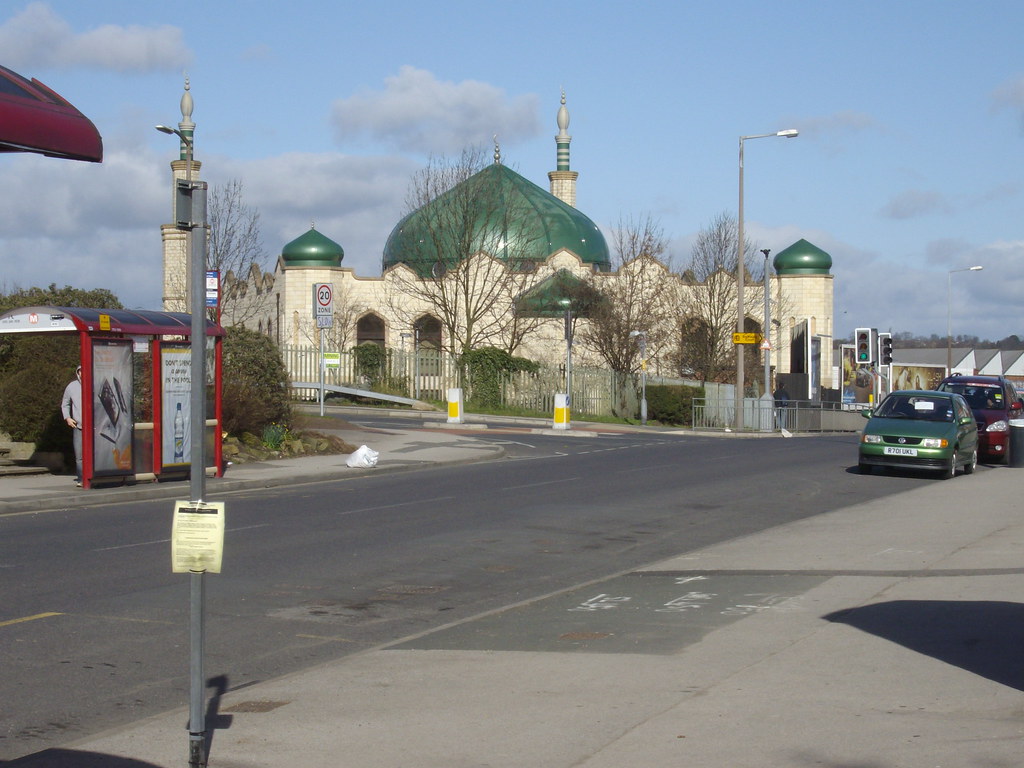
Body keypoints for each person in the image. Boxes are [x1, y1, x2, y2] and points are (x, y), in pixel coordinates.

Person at [61, 365, 83, 486]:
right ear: (78, 373)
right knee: (79, 455)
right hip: (78, 426)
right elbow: (65, 404)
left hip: (95, 427)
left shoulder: (95, 384)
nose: (82, 373)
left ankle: (95, 476)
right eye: (80, 371)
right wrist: (68, 418)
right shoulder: (72, 386)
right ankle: (81, 478)